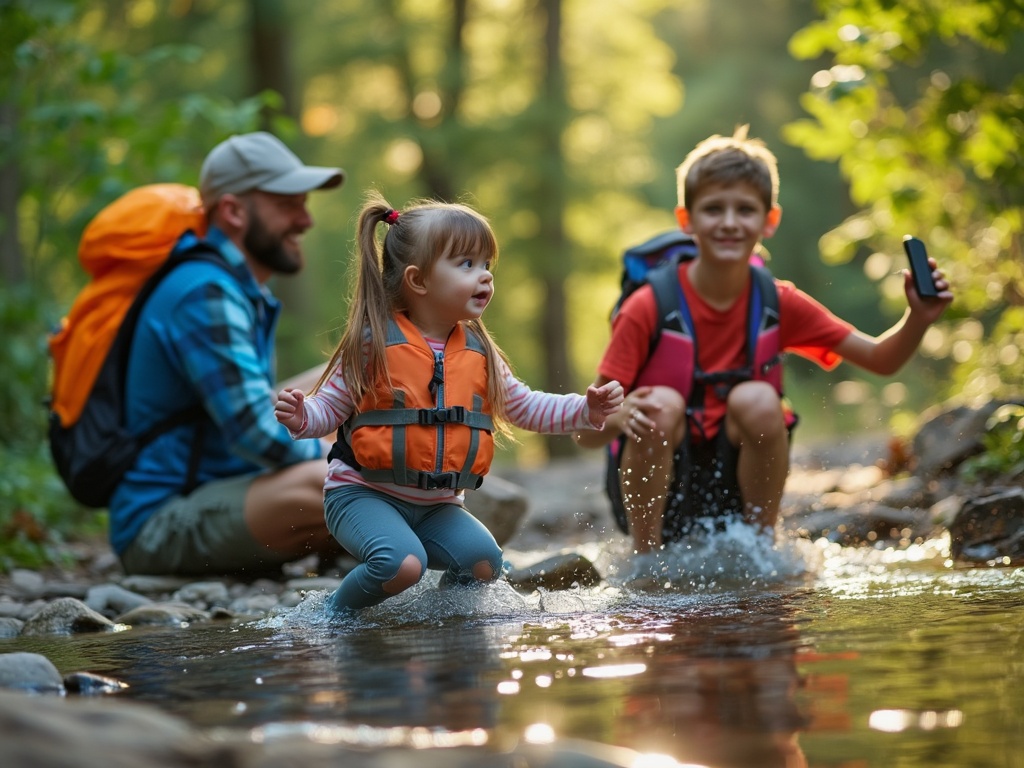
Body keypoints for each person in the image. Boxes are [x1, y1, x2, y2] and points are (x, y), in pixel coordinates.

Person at [576, 126, 953, 555]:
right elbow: (586, 432)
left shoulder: (778, 301)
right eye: (714, 209)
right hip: (657, 499)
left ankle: (760, 549)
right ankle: (646, 561)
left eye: (745, 210)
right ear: (687, 220)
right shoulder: (646, 307)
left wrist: (918, 318)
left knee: (759, 399)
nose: (730, 222)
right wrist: (620, 416)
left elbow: (881, 359)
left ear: (769, 220)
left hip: (734, 496)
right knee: (659, 404)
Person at [274, 192, 624, 614]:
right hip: (363, 496)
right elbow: (328, 409)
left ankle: (444, 624)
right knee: (403, 566)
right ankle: (328, 618)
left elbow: (523, 406)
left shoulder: (479, 350)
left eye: (486, 265)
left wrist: (583, 411)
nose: (485, 276)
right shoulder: (373, 344)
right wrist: (301, 415)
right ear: (419, 280)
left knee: (483, 564)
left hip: (437, 506)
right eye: (466, 265)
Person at [113, 131, 346, 577]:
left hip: (219, 483)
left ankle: (399, 514)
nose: (305, 219)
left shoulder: (235, 288)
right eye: (287, 204)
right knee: (343, 479)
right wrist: (352, 454)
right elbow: (255, 433)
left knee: (360, 373)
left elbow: (257, 414)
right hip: (160, 522)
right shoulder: (205, 292)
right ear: (234, 211)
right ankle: (418, 519)